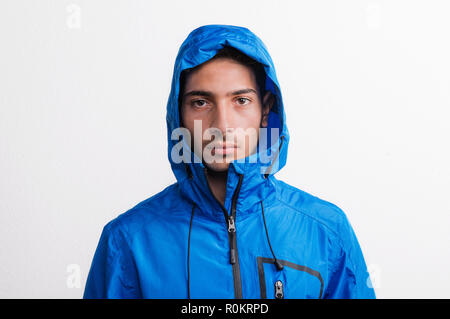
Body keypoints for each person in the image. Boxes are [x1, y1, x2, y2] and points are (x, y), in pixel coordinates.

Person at [83, 24, 376, 299]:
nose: (221, 125)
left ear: (265, 111)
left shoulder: (325, 230)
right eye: (201, 102)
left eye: (241, 100)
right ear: (179, 115)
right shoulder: (128, 241)